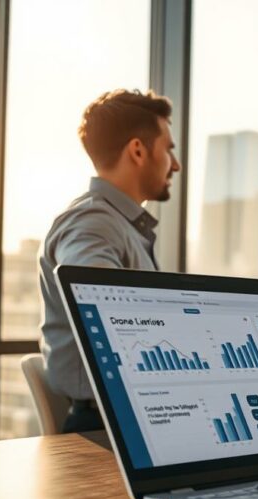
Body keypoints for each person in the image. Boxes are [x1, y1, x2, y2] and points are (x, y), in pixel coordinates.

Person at [38, 89, 180, 433]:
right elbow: (109, 316)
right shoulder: (92, 223)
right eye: (169, 149)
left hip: (134, 414)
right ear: (138, 150)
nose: (175, 164)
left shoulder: (119, 225)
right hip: (104, 426)